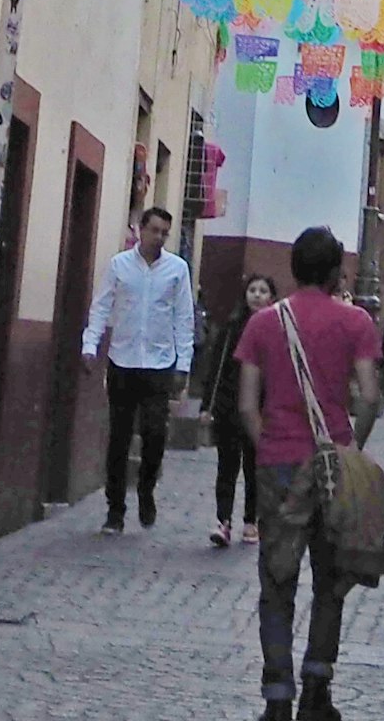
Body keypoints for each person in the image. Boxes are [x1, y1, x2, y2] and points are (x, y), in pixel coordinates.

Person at [235, 225, 384, 721]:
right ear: (335, 270)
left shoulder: (262, 323)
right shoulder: (357, 322)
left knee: (277, 583)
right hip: (332, 466)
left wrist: (270, 448)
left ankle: (277, 696)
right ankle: (317, 688)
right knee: (331, 579)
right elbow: (369, 398)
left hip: (279, 464)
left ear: (293, 269)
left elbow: (245, 406)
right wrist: (349, 449)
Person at [78, 202, 197, 531]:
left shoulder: (177, 269)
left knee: (155, 432)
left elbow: (183, 318)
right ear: (140, 230)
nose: (159, 237)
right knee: (118, 436)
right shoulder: (119, 266)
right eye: (154, 230)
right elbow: (101, 307)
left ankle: (146, 488)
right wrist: (90, 345)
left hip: (159, 362)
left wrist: (183, 364)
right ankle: (115, 509)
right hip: (123, 360)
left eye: (164, 233)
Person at [205, 273, 279, 547]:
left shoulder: (277, 330)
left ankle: (251, 520)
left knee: (254, 468)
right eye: (252, 290)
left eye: (263, 290)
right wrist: (207, 405)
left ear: (272, 296)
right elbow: (217, 367)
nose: (257, 295)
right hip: (228, 407)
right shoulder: (231, 328)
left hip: (262, 410)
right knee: (226, 466)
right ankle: (222, 521)